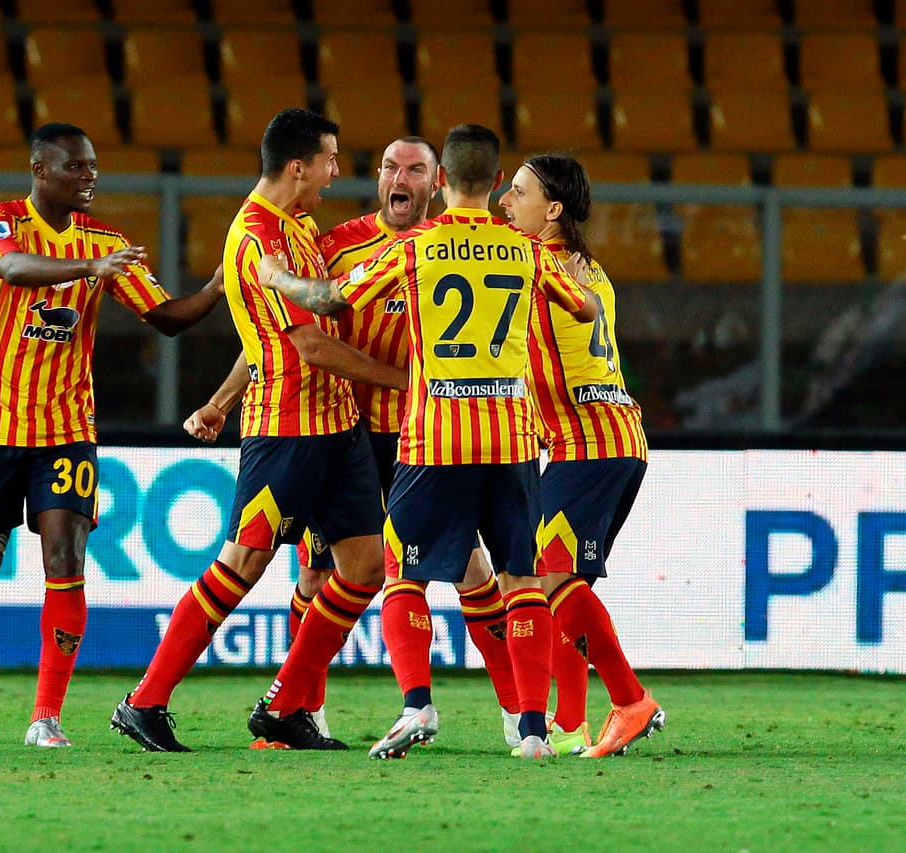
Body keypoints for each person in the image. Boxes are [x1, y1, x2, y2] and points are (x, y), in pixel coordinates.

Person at [258, 124, 598, 759]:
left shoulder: (416, 248)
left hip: (434, 435)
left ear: (441, 181)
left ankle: (417, 704)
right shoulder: (525, 249)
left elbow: (331, 300)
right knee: (516, 580)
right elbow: (584, 308)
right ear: (497, 183)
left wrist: (278, 279)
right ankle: (530, 729)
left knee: (401, 575)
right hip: (512, 437)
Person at [185, 136, 523, 745]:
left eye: (415, 170)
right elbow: (278, 332)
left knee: (472, 572)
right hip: (352, 433)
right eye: (390, 167)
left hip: (428, 436)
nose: (401, 177)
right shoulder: (336, 245)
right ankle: (301, 713)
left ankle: (516, 713)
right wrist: (220, 400)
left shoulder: (447, 247)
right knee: (317, 580)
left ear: (436, 181)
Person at [0, 122, 226, 749]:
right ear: (40, 169)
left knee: (66, 559)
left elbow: (166, 318)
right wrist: (90, 268)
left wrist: (220, 286)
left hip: (67, 428)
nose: (90, 176)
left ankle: (45, 716)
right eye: (76, 167)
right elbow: (11, 269)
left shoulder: (106, 241)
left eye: (93, 167)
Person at [110, 109, 405, 752]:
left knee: (364, 566)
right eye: (330, 158)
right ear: (298, 165)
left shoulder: (298, 227)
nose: (336, 171)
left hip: (339, 428)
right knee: (241, 565)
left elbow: (270, 331)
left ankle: (285, 705)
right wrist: (406, 384)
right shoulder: (253, 240)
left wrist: (218, 399)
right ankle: (144, 701)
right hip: (289, 433)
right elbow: (309, 347)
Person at [498, 152, 664, 757]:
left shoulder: (532, 262)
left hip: (586, 444)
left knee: (545, 579)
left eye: (518, 193)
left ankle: (629, 700)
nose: (504, 203)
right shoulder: (592, 270)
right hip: (619, 440)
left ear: (554, 209)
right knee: (562, 584)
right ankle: (573, 723)